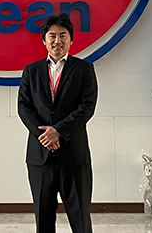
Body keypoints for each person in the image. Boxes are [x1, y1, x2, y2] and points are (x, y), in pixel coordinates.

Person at [17, 13, 98, 233]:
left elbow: (87, 107)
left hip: (74, 156)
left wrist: (59, 131)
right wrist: (45, 136)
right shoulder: (31, 71)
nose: (57, 40)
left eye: (63, 35)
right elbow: (24, 107)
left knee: (80, 220)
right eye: (52, 36)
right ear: (44, 40)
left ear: (71, 40)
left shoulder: (84, 69)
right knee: (43, 221)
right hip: (40, 158)